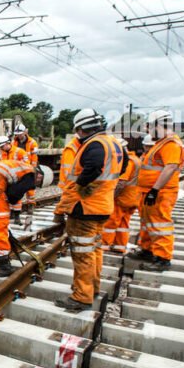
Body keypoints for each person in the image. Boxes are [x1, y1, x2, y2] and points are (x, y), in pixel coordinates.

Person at [54, 109, 126, 312]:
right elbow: (123, 166)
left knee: (82, 252)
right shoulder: (114, 144)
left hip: (85, 208)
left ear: (82, 128)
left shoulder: (95, 145)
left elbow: (93, 167)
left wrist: (80, 186)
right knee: (94, 249)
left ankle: (81, 297)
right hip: (103, 206)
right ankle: (92, 287)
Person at [130, 110, 184, 272]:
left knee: (160, 224)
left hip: (161, 192)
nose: (147, 130)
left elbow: (170, 167)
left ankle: (163, 258)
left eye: (149, 126)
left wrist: (155, 189)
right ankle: (147, 250)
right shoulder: (161, 143)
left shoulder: (171, 144)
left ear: (158, 125)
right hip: (149, 191)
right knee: (147, 223)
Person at [101, 136, 144, 254]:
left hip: (123, 198)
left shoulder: (128, 161)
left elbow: (121, 182)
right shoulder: (136, 159)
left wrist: (111, 196)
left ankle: (104, 245)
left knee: (111, 221)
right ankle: (120, 246)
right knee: (123, 223)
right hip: (133, 197)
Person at [0, 135, 28, 221]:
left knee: (16, 197)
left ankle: (17, 216)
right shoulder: (1, 155)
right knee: (7, 196)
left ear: (8, 143)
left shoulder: (20, 152)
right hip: (7, 179)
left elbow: (26, 165)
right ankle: (11, 214)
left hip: (18, 178)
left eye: (2, 146)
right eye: (0, 147)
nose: (1, 148)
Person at [12, 123, 40, 207]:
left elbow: (34, 157)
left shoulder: (32, 142)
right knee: (17, 188)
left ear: (25, 132)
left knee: (30, 188)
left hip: (28, 168)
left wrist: (33, 168)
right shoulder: (14, 142)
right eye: (17, 134)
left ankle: (30, 206)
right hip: (17, 169)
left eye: (20, 134)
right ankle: (16, 206)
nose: (19, 136)